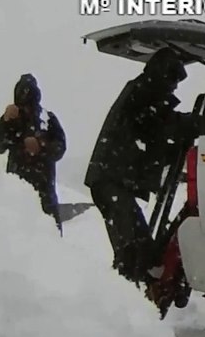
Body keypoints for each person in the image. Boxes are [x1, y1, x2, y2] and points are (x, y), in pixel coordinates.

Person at [85, 47, 198, 284]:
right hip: (110, 181)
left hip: (113, 180)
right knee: (131, 247)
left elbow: (155, 136)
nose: (175, 87)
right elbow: (160, 126)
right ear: (163, 76)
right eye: (174, 81)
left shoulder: (143, 93)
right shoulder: (143, 93)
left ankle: (136, 287)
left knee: (141, 244)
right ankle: (125, 293)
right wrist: (197, 122)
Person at [0, 74, 67, 225]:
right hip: (16, 194)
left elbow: (60, 148)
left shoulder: (48, 119)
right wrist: (5, 122)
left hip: (44, 192)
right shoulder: (12, 119)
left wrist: (40, 144)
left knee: (48, 236)